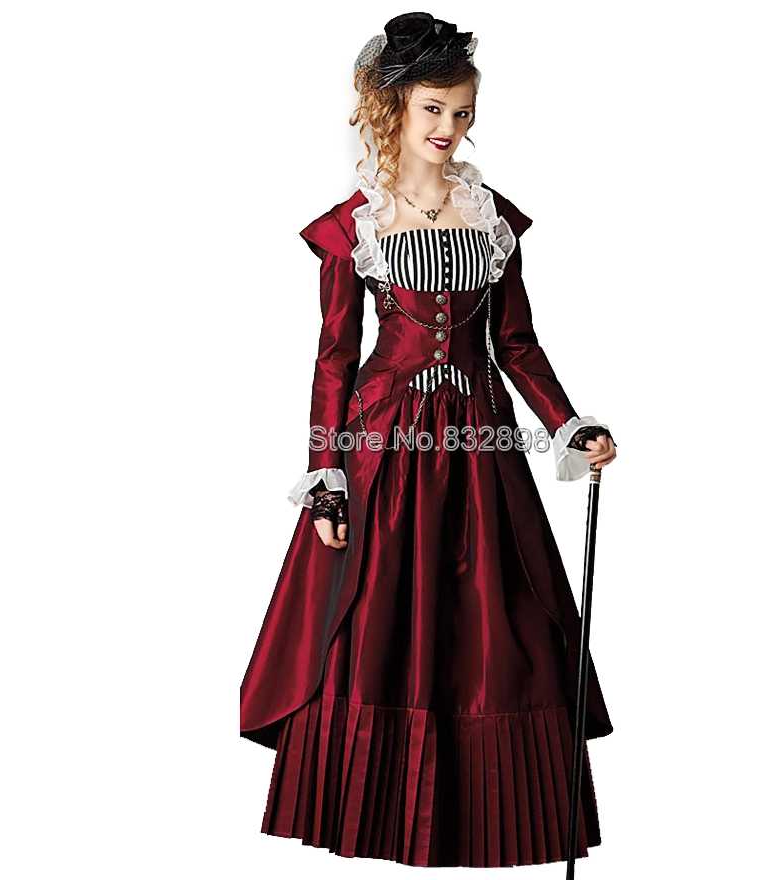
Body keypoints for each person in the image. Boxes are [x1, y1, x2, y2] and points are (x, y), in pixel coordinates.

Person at [240, 12, 618, 868]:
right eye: (434, 110)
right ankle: (374, 813)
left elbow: (515, 343)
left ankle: (491, 817)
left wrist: (569, 424)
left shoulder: (493, 220)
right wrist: (327, 473)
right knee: (378, 619)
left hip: (481, 447)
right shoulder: (356, 226)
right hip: (387, 447)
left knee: (501, 622)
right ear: (394, 110)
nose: (450, 127)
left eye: (463, 111)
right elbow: (335, 360)